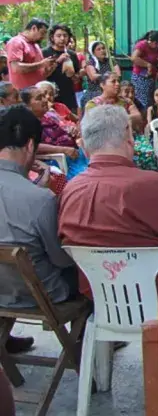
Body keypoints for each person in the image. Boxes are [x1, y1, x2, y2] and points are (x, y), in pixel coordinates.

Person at [58, 105, 158, 297]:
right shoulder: (157, 187)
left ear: (83, 146)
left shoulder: (69, 191)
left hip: (100, 302)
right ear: (130, 139)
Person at [0, 105, 78, 309]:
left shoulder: (36, 195)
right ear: (30, 145)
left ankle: (6, 338)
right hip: (40, 294)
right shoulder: (41, 199)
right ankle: (88, 338)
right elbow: (61, 260)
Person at [85, 73, 157, 171]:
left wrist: (111, 120)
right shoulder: (93, 104)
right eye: (113, 81)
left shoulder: (126, 102)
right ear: (102, 85)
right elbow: (92, 127)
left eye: (118, 81)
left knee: (148, 153)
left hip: (129, 137)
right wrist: (124, 120)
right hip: (105, 141)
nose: (118, 84)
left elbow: (137, 117)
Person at [20, 86, 88, 180]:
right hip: (56, 160)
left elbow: (66, 128)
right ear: (27, 105)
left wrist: (72, 131)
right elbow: (33, 145)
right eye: (39, 98)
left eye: (44, 96)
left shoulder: (50, 115)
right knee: (85, 178)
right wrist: (63, 149)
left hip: (74, 154)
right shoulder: (26, 123)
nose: (45, 100)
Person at [5, 19, 55, 90]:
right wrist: (42, 64)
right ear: (34, 28)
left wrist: (50, 68)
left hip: (37, 92)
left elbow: (41, 73)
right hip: (23, 93)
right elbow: (16, 68)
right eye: (42, 33)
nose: (43, 37)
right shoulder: (16, 42)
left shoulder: (36, 45)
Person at [41, 24, 81, 112]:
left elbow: (76, 78)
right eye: (59, 36)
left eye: (65, 36)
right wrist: (58, 61)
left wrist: (75, 75)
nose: (62, 38)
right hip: (50, 96)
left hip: (68, 96)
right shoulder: (44, 53)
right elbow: (42, 75)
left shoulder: (72, 54)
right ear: (52, 38)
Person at [130, 30, 158, 109]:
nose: (157, 45)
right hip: (140, 77)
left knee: (150, 100)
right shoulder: (142, 45)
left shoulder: (156, 48)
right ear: (151, 41)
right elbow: (134, 58)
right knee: (142, 101)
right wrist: (148, 65)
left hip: (151, 78)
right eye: (156, 43)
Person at [82, 41, 121, 106]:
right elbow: (93, 76)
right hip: (94, 92)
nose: (102, 51)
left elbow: (118, 74)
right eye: (99, 49)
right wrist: (109, 76)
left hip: (110, 92)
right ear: (93, 52)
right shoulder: (90, 63)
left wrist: (107, 76)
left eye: (103, 48)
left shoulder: (111, 61)